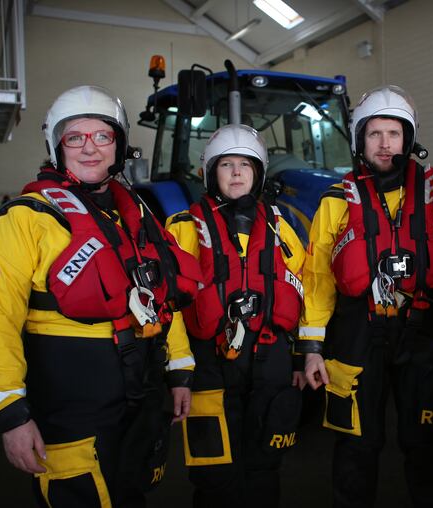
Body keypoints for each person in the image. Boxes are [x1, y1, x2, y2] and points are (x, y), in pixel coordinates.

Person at [0, 85, 202, 507]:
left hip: (142, 386)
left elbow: (164, 297)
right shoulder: (25, 219)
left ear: (120, 143)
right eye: (75, 137)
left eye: (102, 135)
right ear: (56, 146)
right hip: (69, 393)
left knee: (132, 491)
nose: (89, 148)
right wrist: (11, 411)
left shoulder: (138, 214)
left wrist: (179, 372)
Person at [300, 85, 433, 508]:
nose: (384, 144)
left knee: (428, 446)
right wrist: (311, 346)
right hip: (357, 334)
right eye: (374, 134)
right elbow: (318, 276)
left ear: (408, 140)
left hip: (423, 336)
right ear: (360, 140)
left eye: (393, 134)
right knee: (356, 447)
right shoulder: (336, 202)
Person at [166, 124, 306, 508]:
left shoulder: (281, 228)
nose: (237, 173)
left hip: (269, 357)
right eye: (226, 164)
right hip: (210, 360)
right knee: (215, 474)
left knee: (264, 467)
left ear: (259, 172)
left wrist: (300, 353)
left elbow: (303, 286)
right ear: (211, 173)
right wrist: (177, 368)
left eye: (245, 164)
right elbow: (170, 303)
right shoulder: (182, 229)